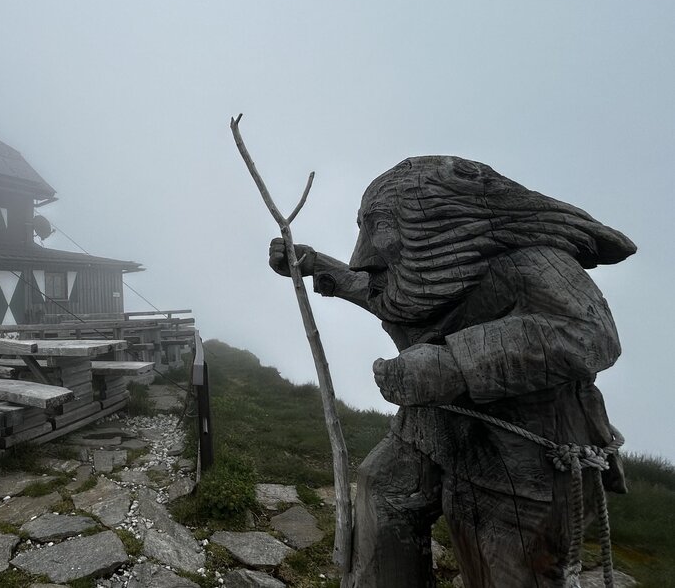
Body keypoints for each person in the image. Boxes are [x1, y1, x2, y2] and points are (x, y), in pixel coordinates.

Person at [269, 156, 635, 587]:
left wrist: (455, 363)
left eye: (378, 226)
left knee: (498, 555)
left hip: (522, 451)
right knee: (384, 490)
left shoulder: (534, 263)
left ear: (435, 221)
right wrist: (318, 264)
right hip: (430, 429)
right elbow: (384, 296)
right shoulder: (418, 278)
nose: (363, 254)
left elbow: (590, 333)